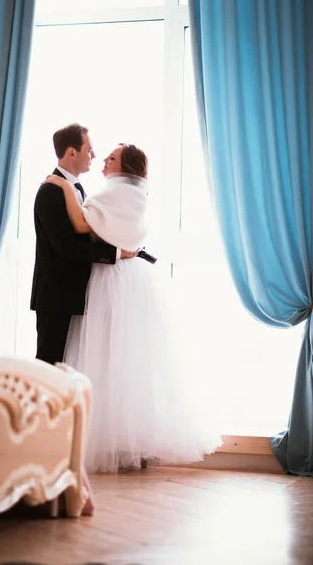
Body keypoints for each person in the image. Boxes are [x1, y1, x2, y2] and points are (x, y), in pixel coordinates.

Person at [45, 143, 222, 473]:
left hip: (111, 279)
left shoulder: (115, 192)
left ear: (123, 168)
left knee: (102, 356)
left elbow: (83, 224)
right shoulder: (139, 195)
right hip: (135, 280)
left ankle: (103, 441)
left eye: (111, 158)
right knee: (129, 362)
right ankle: (130, 445)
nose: (103, 161)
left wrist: (62, 185)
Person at [30, 124, 136, 366]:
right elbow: (67, 247)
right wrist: (116, 253)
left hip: (73, 295)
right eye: (89, 150)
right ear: (71, 153)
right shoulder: (50, 191)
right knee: (48, 364)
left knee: (66, 366)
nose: (94, 156)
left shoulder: (76, 189)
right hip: (55, 296)